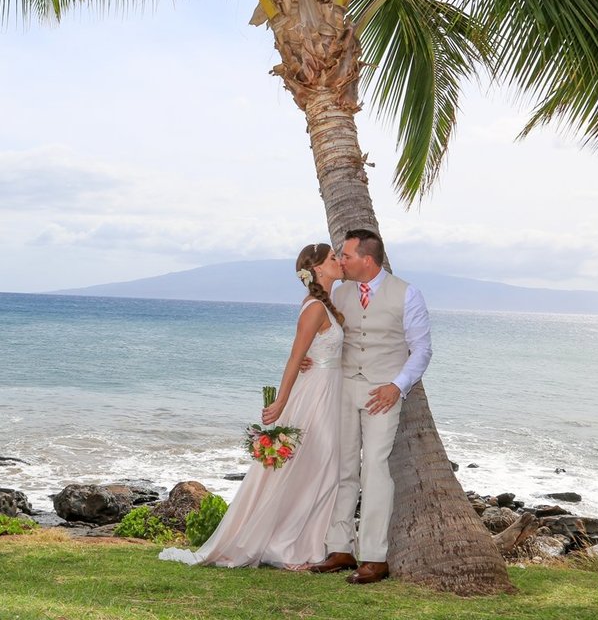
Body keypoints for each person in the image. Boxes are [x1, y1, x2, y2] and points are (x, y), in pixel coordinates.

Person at [158, 242, 345, 569]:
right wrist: (281, 404)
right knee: (319, 466)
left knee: (322, 468)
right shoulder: (315, 307)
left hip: (330, 391)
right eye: (332, 258)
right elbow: (294, 357)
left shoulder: (328, 304)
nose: (339, 261)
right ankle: (289, 547)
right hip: (315, 395)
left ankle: (310, 544)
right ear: (316, 269)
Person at [307, 229, 434, 584]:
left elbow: (421, 349)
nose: (341, 261)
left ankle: (375, 557)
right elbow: (324, 332)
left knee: (375, 468)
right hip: (344, 387)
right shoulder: (340, 292)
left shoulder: (407, 294)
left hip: (383, 393)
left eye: (345, 256)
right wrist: (310, 360)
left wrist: (398, 385)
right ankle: (340, 548)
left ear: (367, 259)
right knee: (343, 467)